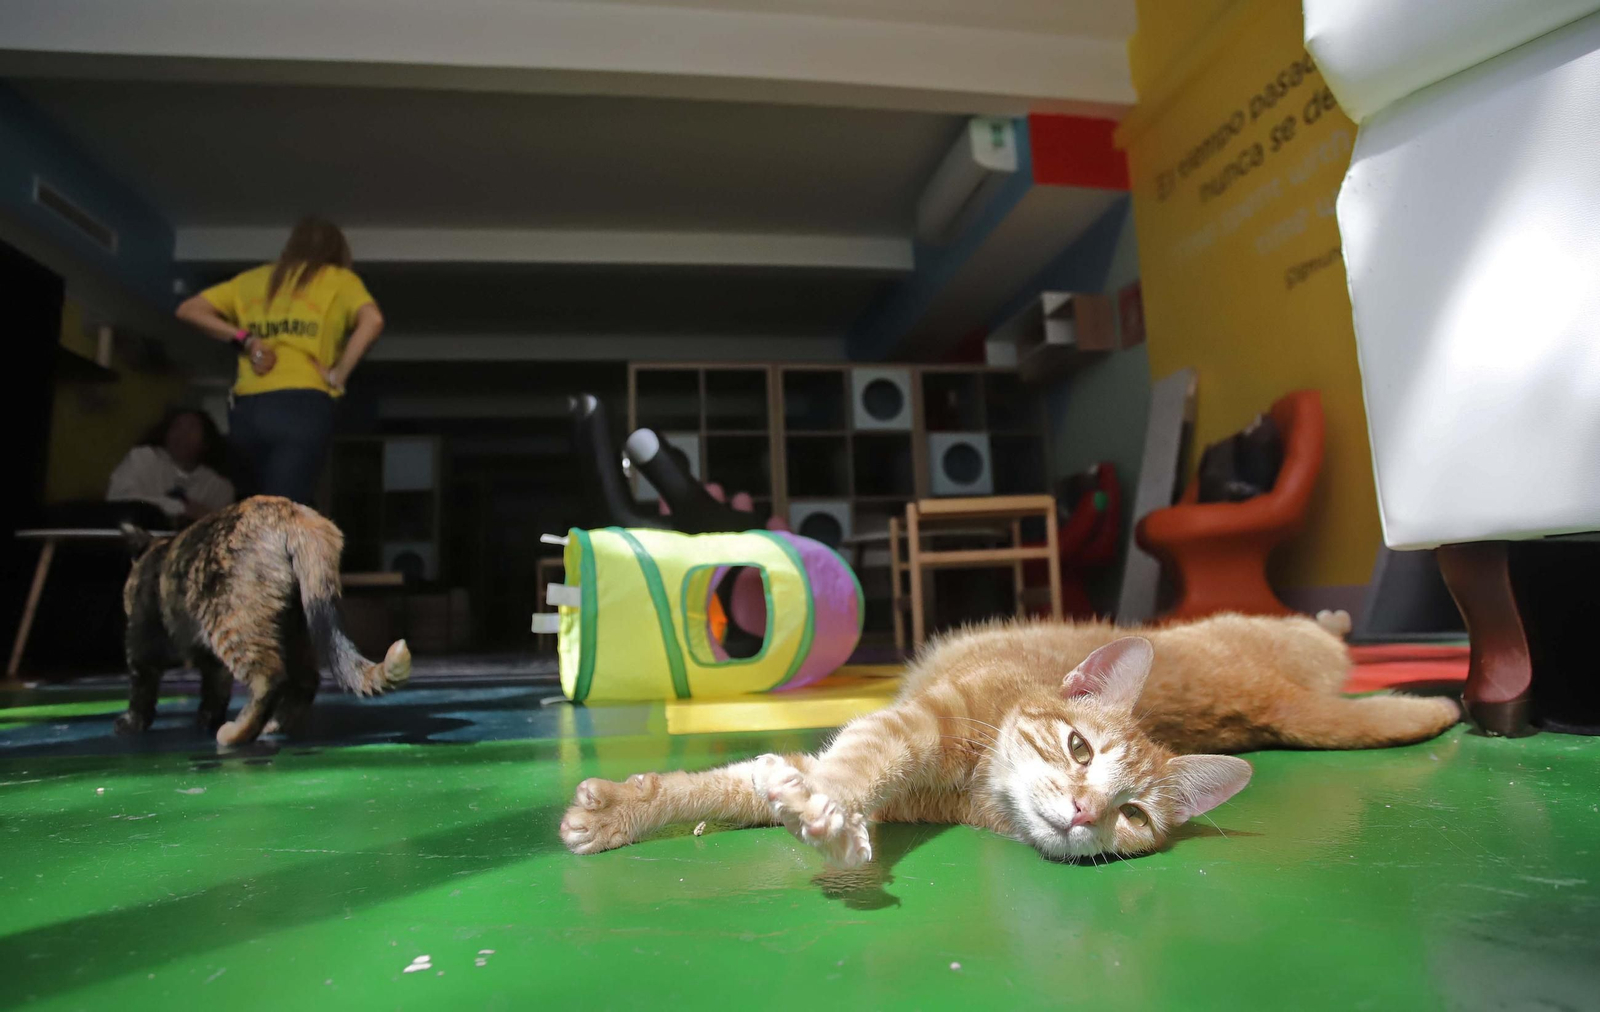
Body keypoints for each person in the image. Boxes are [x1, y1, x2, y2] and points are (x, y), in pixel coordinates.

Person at [175, 216, 384, 505]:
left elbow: (189, 309)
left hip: (247, 411)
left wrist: (246, 341)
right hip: (302, 406)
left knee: (253, 510)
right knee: (284, 512)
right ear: (338, 251)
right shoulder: (338, 280)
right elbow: (372, 320)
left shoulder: (252, 281)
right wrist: (339, 375)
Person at [107, 408, 234, 524]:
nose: (181, 434)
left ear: (207, 441)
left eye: (191, 428)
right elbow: (118, 498)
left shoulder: (219, 487)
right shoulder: (143, 458)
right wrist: (178, 507)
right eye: (177, 426)